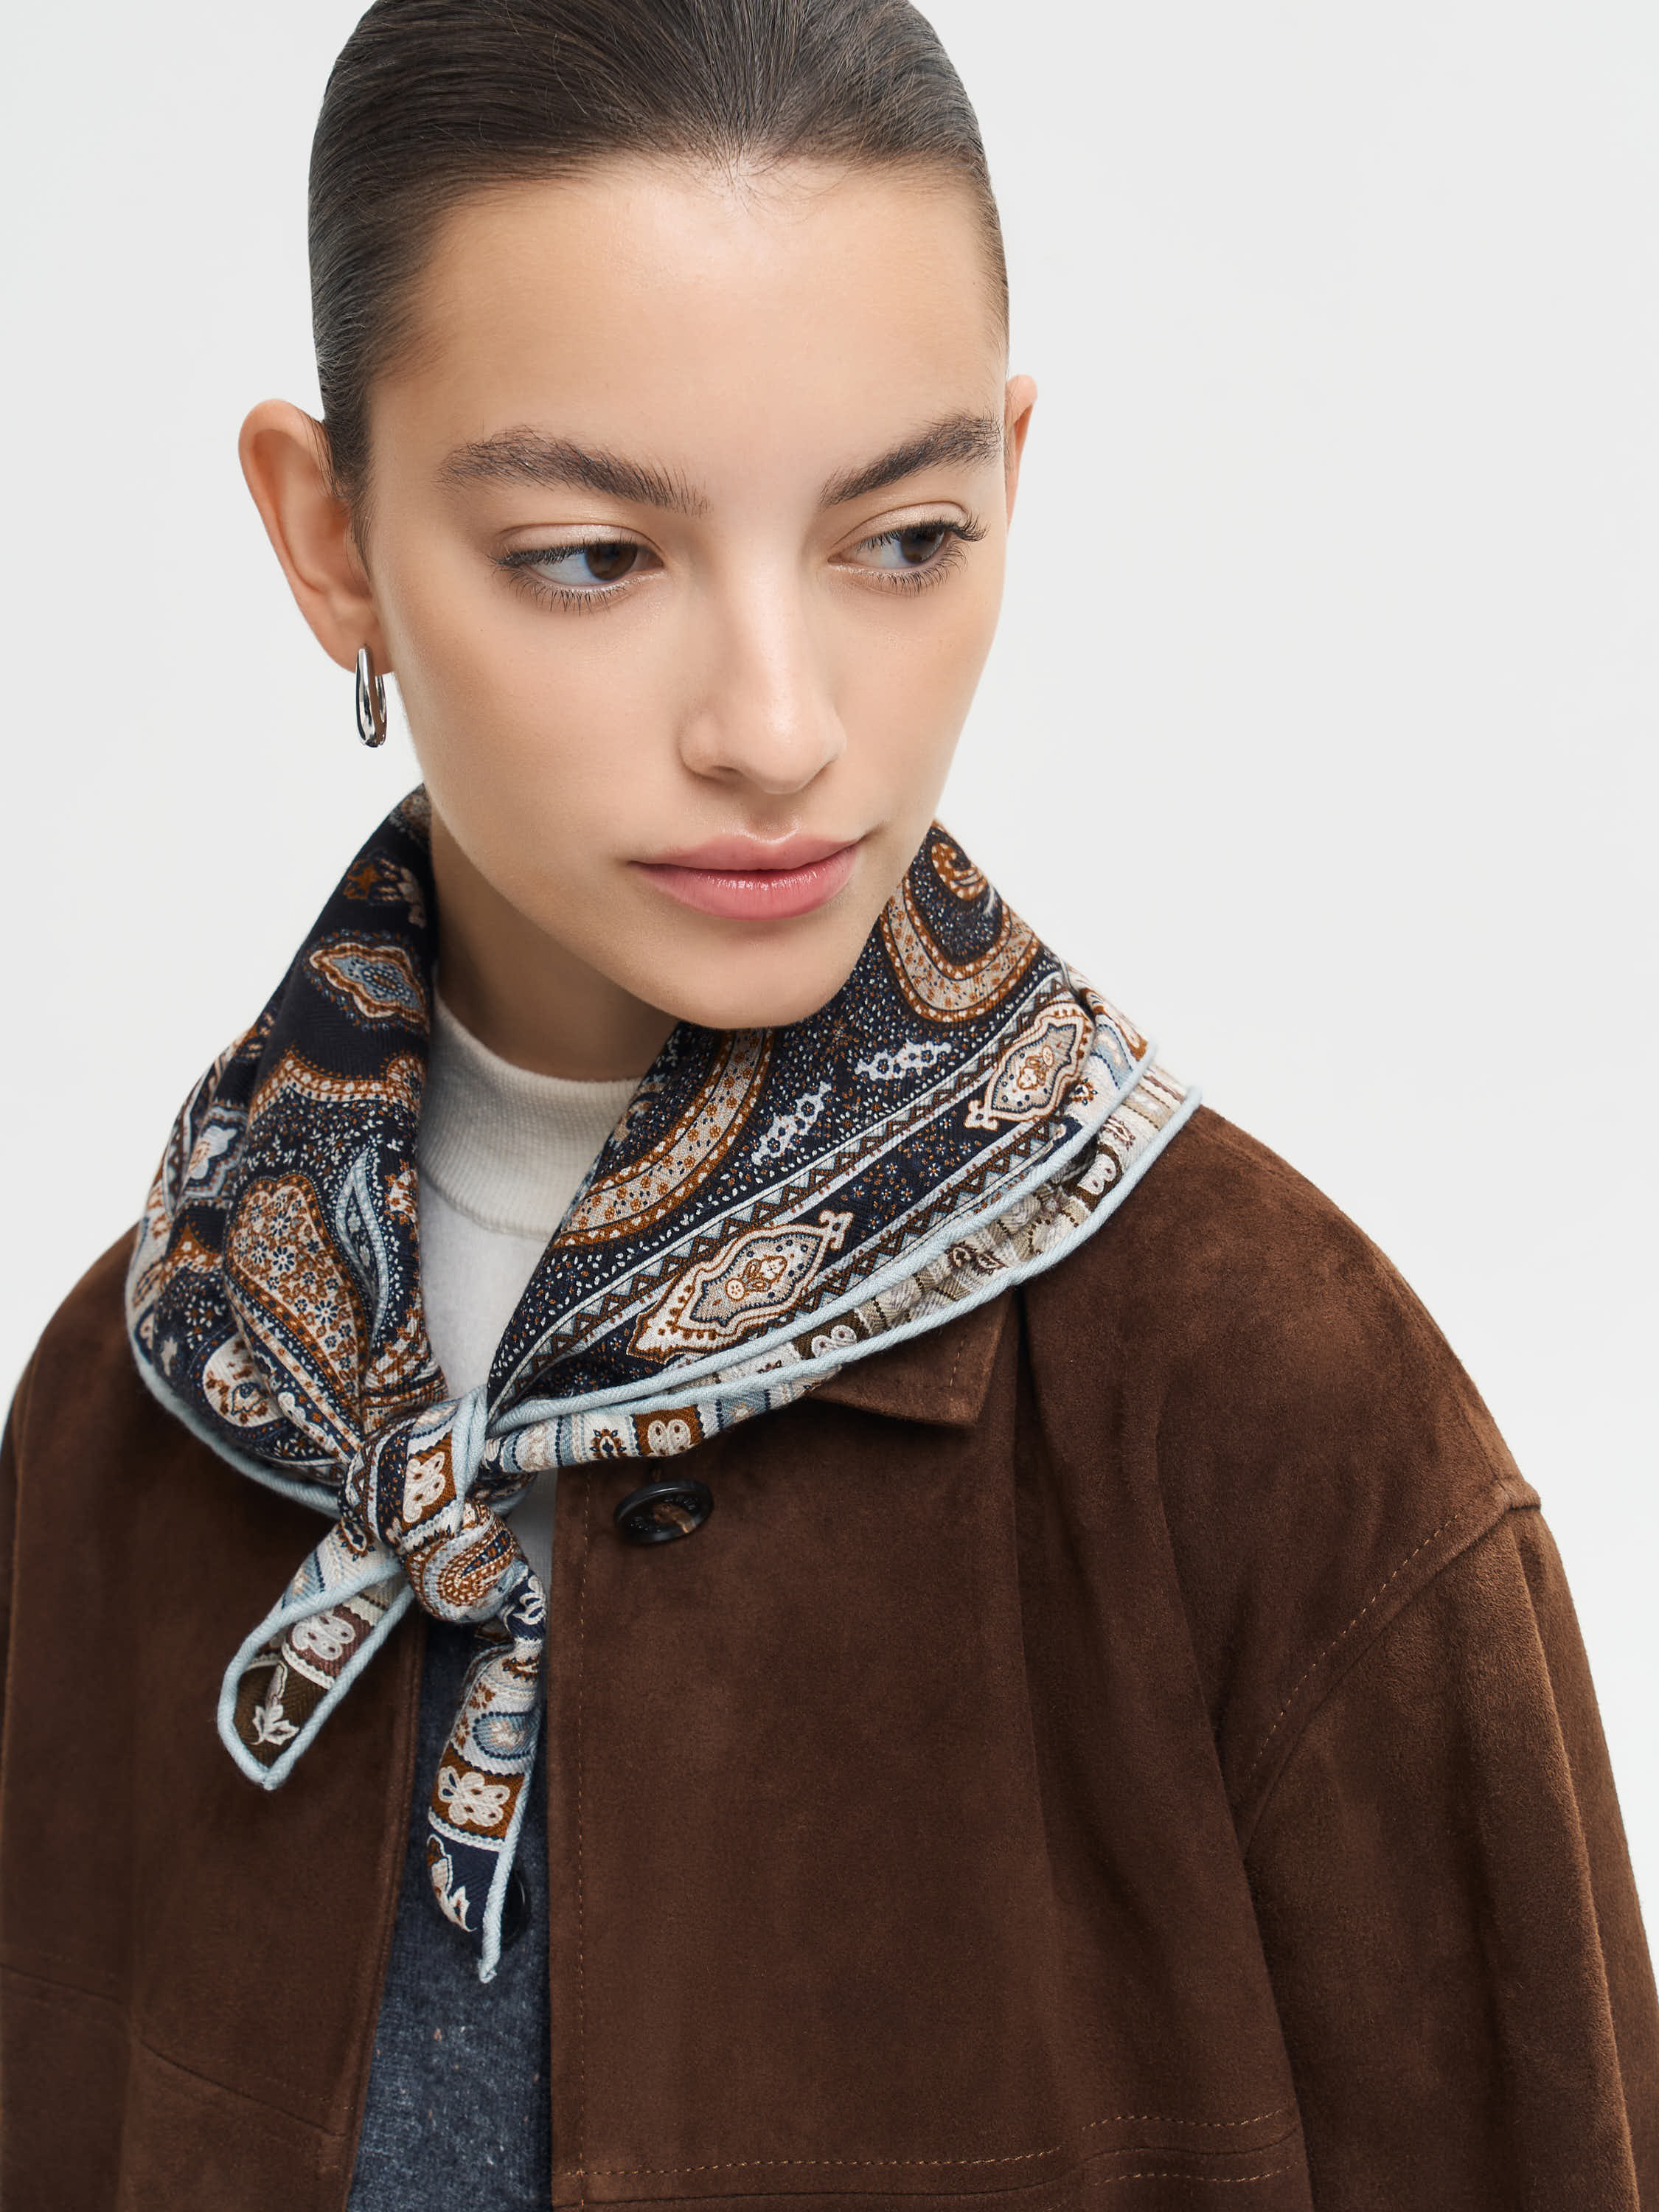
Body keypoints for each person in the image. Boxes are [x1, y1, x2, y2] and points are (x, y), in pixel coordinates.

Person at [2, 1, 1654, 2205]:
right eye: (593, 556)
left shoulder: (1277, 1420)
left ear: (1010, 479)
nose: (780, 730)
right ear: (332, 542)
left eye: (902, 538)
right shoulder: (141, 1404)